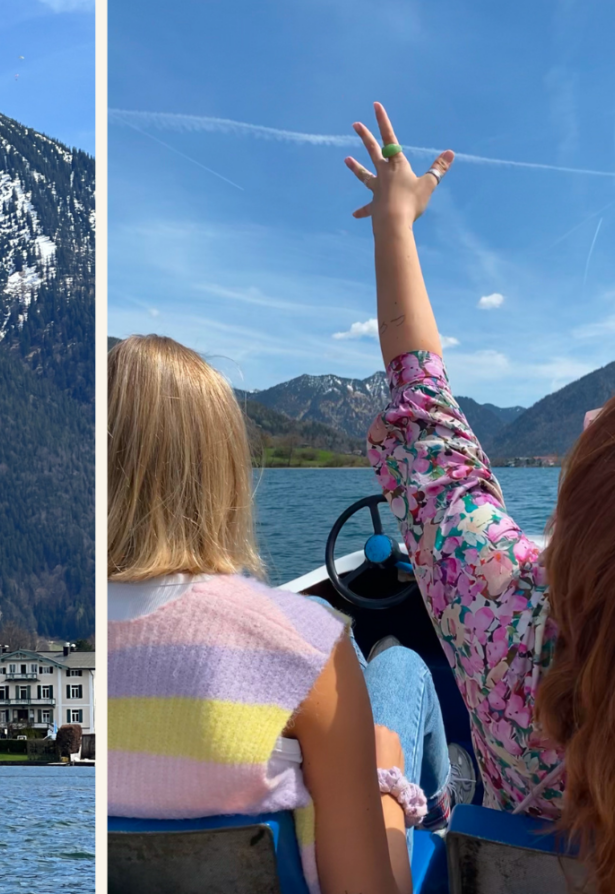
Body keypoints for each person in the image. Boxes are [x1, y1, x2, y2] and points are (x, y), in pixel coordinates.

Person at [346, 101, 615, 894]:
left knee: (398, 664)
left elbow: (427, 422)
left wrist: (394, 223)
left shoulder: (500, 624)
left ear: (576, 527)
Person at [108, 334, 449, 894]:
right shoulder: (302, 646)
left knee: (314, 606)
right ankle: (435, 816)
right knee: (404, 666)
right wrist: (385, 785)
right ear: (222, 475)